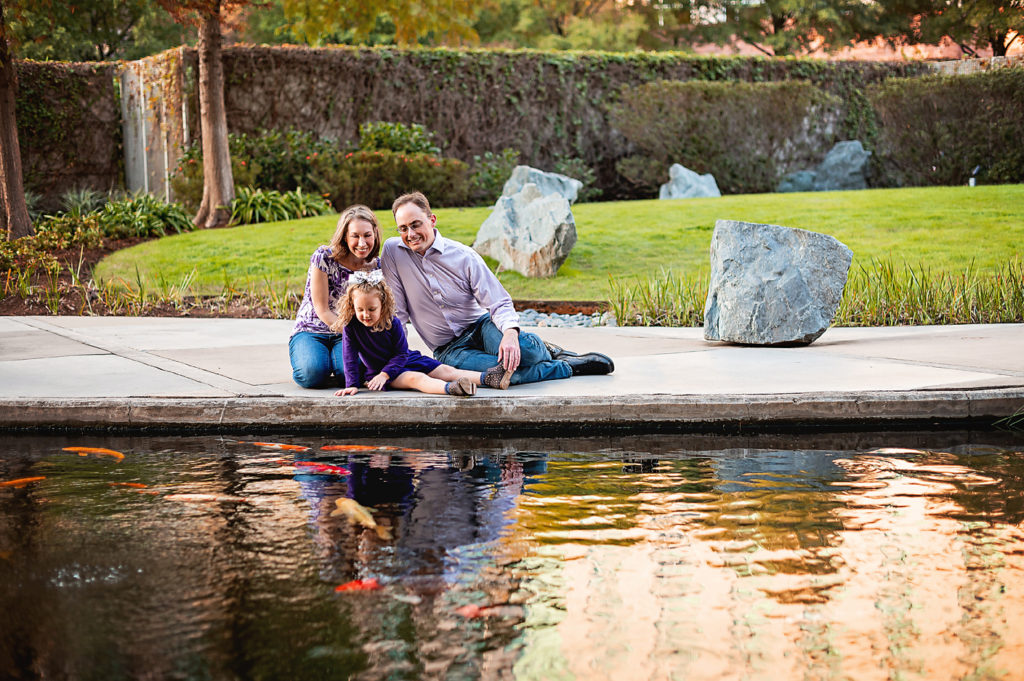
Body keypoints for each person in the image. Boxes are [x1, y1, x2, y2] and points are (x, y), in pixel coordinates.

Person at [381, 192, 613, 388]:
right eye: (403, 228)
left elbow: (498, 301)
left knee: (524, 351)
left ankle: (544, 350)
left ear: (432, 220)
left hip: (481, 327)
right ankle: (567, 367)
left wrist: (510, 334)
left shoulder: (463, 256)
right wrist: (389, 352)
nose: (410, 234)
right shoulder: (393, 251)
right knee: (499, 374)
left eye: (415, 224)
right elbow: (397, 310)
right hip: (449, 350)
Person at [330, 270, 508, 396]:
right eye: (360, 309)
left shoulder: (393, 323)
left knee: (445, 369)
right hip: (382, 373)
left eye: (371, 309)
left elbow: (400, 354)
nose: (365, 314)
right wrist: (352, 385)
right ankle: (452, 388)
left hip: (405, 359)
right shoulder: (351, 327)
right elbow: (350, 358)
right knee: (416, 378)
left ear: (382, 306)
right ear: (352, 306)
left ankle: (490, 378)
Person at [288, 204, 382, 388]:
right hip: (312, 329)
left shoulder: (375, 266)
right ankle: (317, 360)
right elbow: (322, 309)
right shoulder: (324, 257)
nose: (362, 243)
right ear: (345, 236)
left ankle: (334, 363)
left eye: (367, 235)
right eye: (355, 236)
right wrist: (353, 336)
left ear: (375, 234)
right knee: (311, 374)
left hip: (348, 334)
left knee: (349, 375)